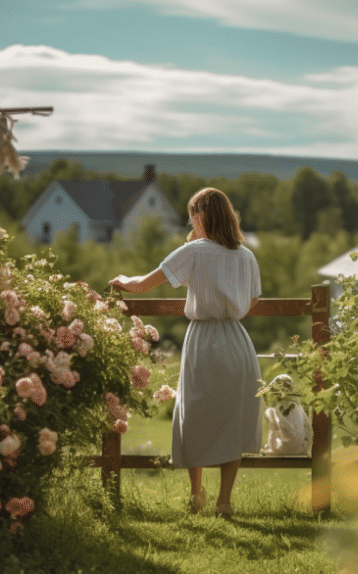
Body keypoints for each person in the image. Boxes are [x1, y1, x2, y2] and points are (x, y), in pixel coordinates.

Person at [109, 187, 262, 518]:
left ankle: (197, 494)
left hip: (204, 341)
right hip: (237, 341)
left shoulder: (193, 251)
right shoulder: (247, 256)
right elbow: (252, 303)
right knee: (232, 419)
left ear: (199, 215)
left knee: (193, 413)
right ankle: (224, 500)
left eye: (192, 213)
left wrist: (121, 279)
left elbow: (144, 284)